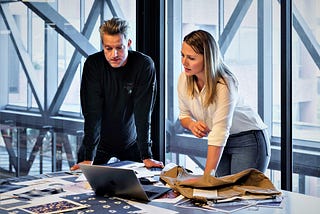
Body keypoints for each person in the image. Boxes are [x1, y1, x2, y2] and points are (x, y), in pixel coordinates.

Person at [71, 17, 163, 171]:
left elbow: (143, 113)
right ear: (102, 46)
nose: (114, 54)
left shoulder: (144, 65)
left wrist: (146, 155)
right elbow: (92, 114)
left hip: (132, 143)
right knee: (83, 185)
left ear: (128, 43)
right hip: (98, 144)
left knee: (144, 187)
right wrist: (88, 157)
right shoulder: (93, 65)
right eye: (108, 48)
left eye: (119, 48)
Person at [178, 30, 270, 177]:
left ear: (207, 58)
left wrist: (206, 178)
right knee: (220, 193)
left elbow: (220, 130)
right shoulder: (184, 79)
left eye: (191, 58)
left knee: (239, 195)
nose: (184, 62)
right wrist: (192, 125)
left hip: (247, 140)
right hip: (220, 141)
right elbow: (183, 115)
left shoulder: (225, 83)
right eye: (182, 55)